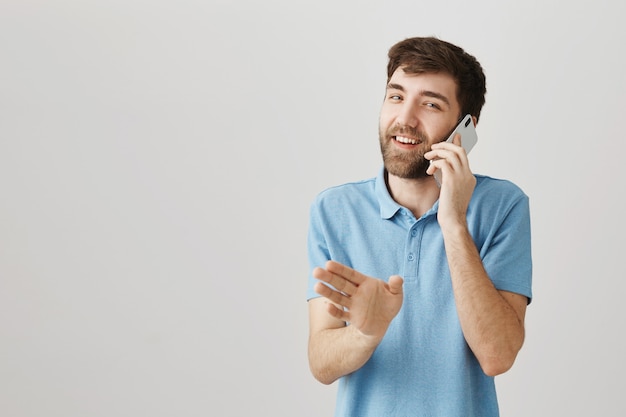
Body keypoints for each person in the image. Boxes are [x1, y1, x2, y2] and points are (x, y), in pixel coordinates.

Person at [306, 36, 532, 417]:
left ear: (465, 129)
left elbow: (497, 356)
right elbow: (321, 362)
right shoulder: (334, 210)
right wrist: (366, 332)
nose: (405, 119)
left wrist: (454, 222)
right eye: (396, 97)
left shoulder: (504, 207)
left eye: (430, 104)